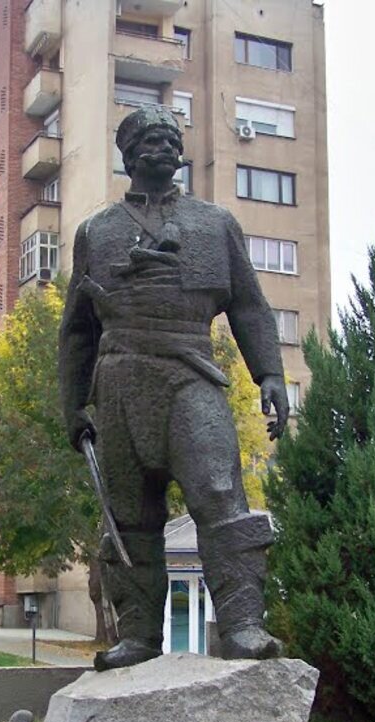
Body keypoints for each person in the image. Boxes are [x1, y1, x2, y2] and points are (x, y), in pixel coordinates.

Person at [59, 104, 289, 671]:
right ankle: (138, 637)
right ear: (128, 154)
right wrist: (73, 405)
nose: (164, 147)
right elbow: (78, 330)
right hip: (119, 384)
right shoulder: (96, 232)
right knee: (129, 515)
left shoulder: (215, 223)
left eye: (171, 139)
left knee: (220, 497)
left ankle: (242, 626)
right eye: (151, 138)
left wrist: (270, 373)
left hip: (191, 374)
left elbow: (250, 306)